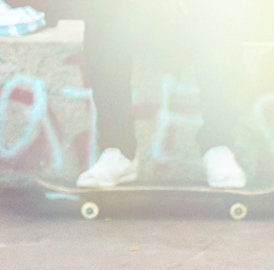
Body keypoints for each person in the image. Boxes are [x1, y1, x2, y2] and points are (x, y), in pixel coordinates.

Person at [72, 0, 250, 188]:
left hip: (194, 17)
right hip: (138, 18)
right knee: (103, 10)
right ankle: (118, 151)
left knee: (223, 9)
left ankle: (218, 146)